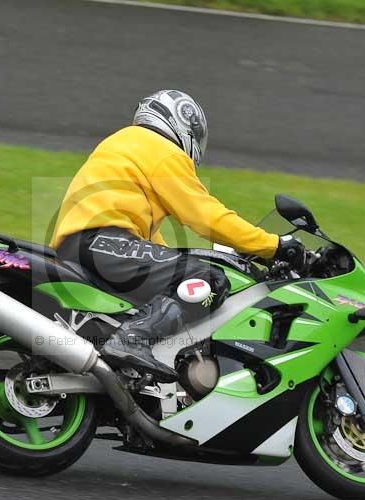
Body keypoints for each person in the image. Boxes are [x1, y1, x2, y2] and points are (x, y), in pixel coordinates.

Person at [51, 90, 304, 382]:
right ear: (185, 123)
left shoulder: (127, 144)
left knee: (182, 277)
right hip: (103, 242)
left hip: (90, 245)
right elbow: (205, 215)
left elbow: (152, 246)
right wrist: (273, 246)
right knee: (210, 280)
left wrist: (188, 260)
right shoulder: (162, 150)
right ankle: (131, 340)